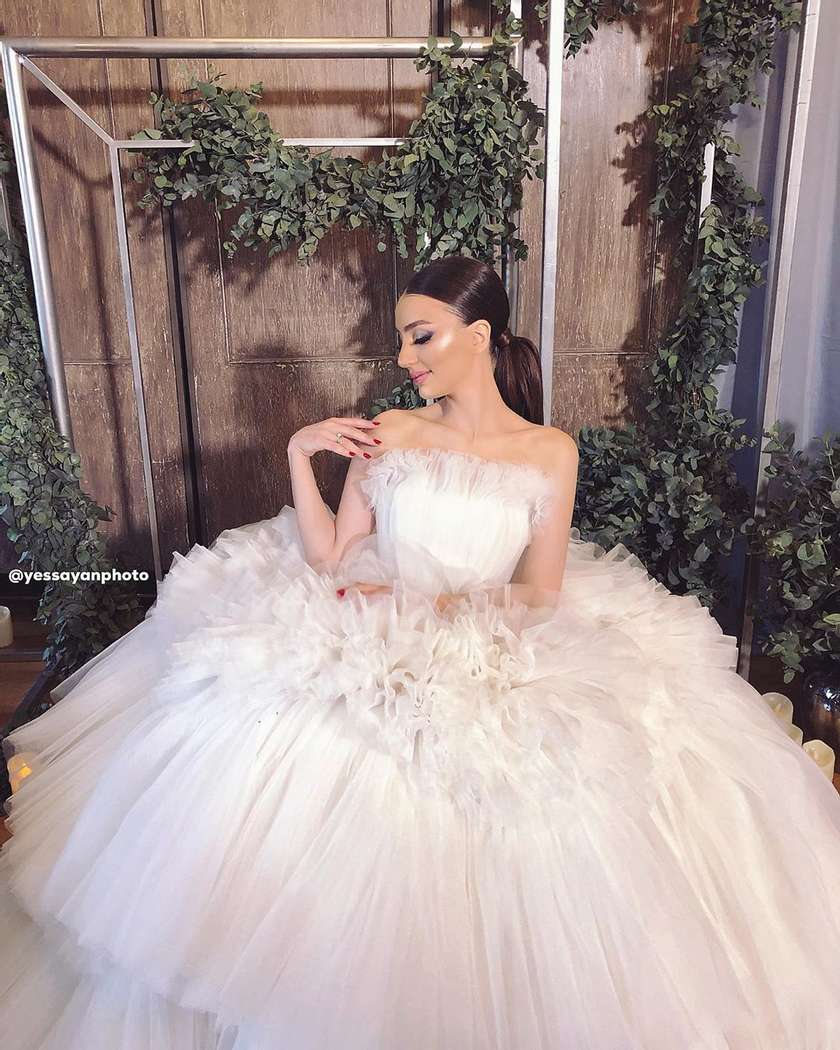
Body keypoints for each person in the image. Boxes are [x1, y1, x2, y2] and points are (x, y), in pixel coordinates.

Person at [2, 254, 840, 1050]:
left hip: (483, 637)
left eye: (420, 336)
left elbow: (540, 595)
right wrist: (299, 453)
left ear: (479, 336)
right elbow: (331, 556)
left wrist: (431, 605)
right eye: (402, 339)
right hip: (367, 636)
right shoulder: (394, 431)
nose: (404, 358)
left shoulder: (550, 451)